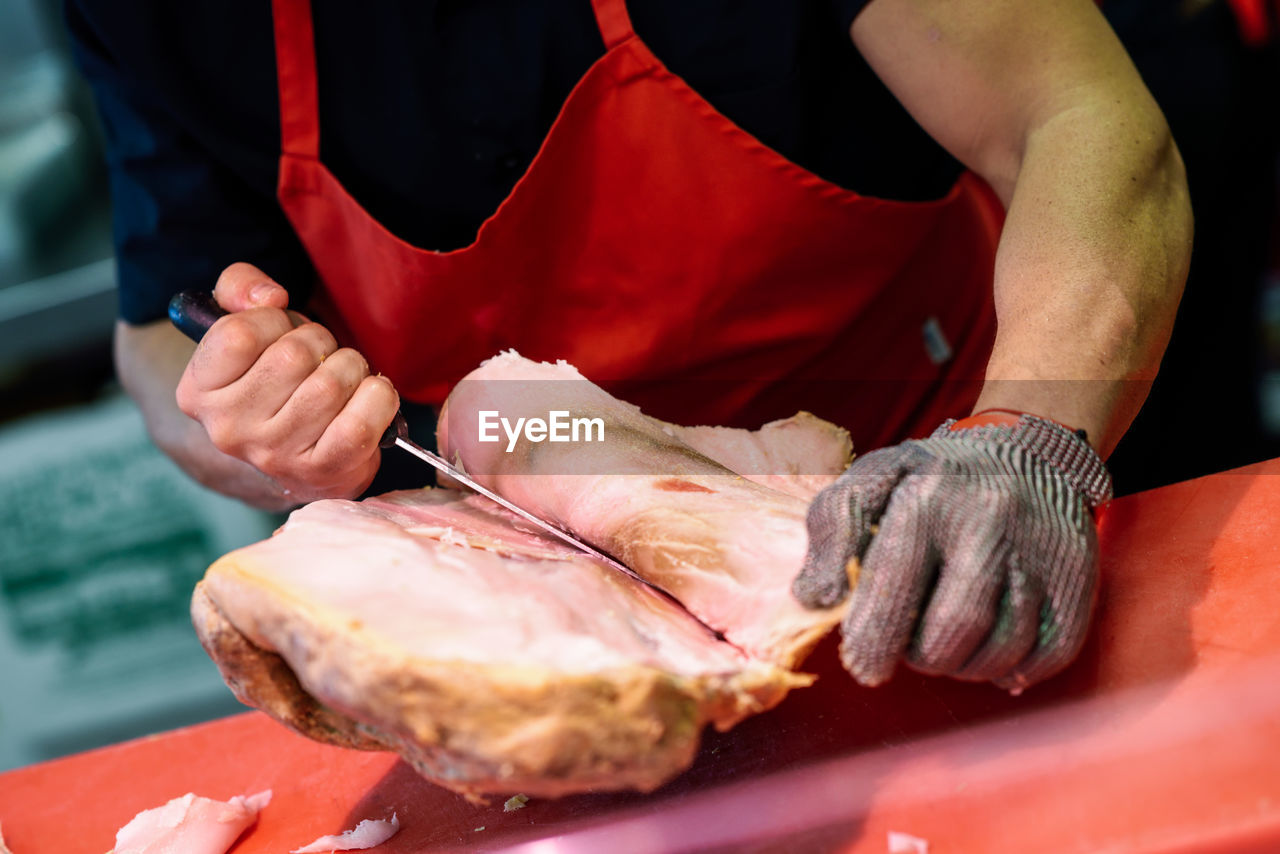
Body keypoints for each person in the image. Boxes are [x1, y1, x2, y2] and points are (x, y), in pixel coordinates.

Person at [69, 0, 1192, 692]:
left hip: (957, 486)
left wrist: (1024, 437)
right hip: (563, 599)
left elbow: (1075, 117)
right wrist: (253, 415)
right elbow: (151, 345)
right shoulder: (162, 14)